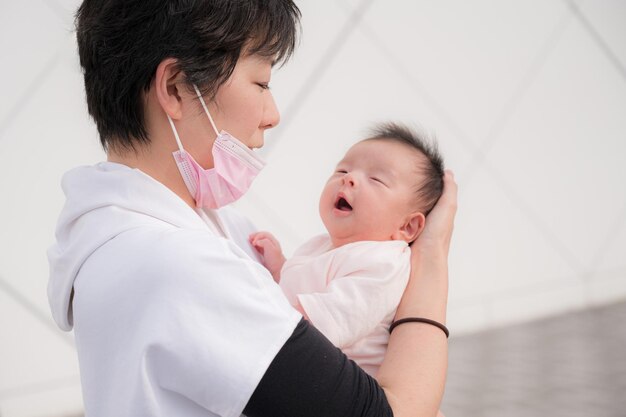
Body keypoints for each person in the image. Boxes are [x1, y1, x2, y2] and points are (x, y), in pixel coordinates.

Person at [47, 1, 457, 416]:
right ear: (174, 87)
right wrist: (431, 261)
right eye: (261, 83)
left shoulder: (154, 229)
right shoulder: (179, 264)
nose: (272, 115)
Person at [249, 122, 444, 378]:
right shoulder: (321, 246)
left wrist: (256, 312)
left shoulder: (384, 263)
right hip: (308, 368)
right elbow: (303, 287)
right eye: (342, 169)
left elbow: (328, 319)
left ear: (407, 227)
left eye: (376, 179)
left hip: (347, 390)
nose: (348, 179)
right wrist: (279, 268)